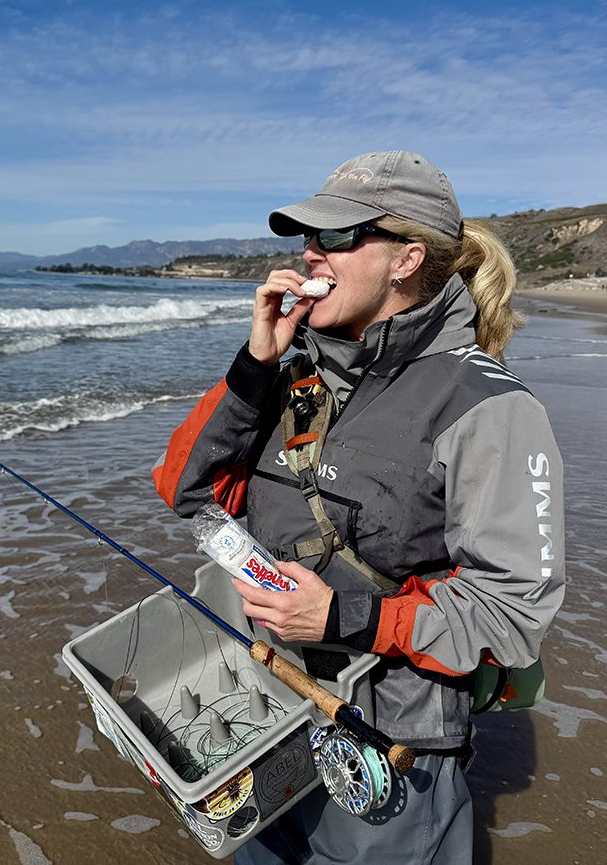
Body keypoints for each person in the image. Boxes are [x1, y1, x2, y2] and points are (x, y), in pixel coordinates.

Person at [152, 150, 565, 864]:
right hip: (267, 703)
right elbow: (184, 491)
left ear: (406, 259)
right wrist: (254, 369)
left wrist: (346, 617)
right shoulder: (292, 373)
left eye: (336, 238)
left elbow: (513, 612)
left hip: (390, 741)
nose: (309, 255)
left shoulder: (489, 406)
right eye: (307, 239)